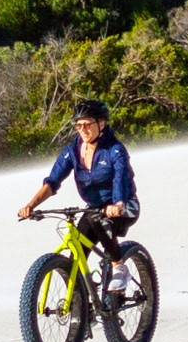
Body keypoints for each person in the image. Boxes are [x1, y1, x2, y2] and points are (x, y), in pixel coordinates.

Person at [14, 98, 139, 242]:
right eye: (78, 125)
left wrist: (118, 203)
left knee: (98, 223)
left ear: (102, 123)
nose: (82, 130)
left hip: (126, 205)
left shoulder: (115, 150)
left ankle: (118, 264)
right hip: (94, 208)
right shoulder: (73, 151)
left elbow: (120, 178)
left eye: (87, 124)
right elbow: (53, 181)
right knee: (78, 247)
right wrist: (30, 206)